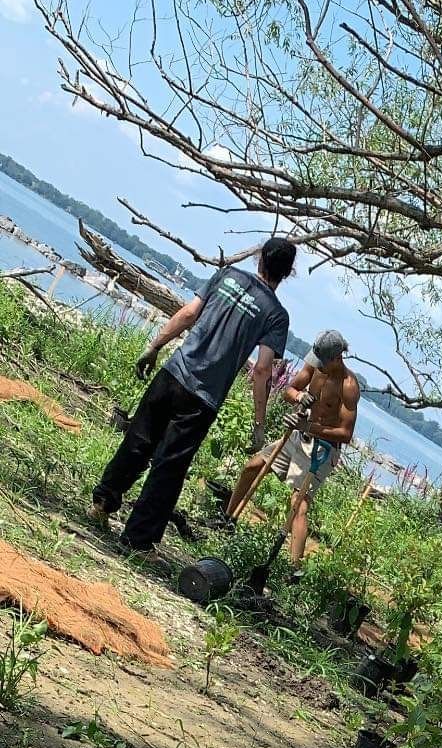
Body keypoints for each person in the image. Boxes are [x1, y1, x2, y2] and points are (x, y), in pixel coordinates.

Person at [92, 237, 296, 553]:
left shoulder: (228, 275)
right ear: (287, 273)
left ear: (259, 258)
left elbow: (188, 314)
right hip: (202, 398)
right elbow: (262, 371)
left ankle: (102, 504)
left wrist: (154, 346)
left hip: (172, 374)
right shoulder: (276, 315)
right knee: (169, 467)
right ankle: (136, 541)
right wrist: (258, 424)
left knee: (138, 441)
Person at [227, 329, 360, 564]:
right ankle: (227, 520)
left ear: (337, 358)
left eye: (324, 362)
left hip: (321, 449)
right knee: (253, 466)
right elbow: (290, 390)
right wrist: (299, 398)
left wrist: (309, 427)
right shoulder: (315, 365)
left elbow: (345, 434)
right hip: (297, 436)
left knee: (298, 505)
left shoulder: (348, 386)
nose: (318, 366)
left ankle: (293, 569)